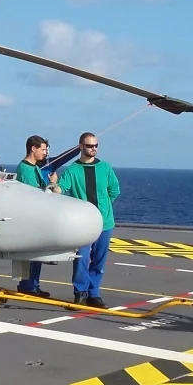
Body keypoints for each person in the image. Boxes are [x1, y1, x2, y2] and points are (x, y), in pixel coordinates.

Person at [57, 131, 120, 309]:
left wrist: (104, 208)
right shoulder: (73, 170)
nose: (94, 149)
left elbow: (114, 190)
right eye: (90, 146)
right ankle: (80, 293)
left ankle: (94, 293)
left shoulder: (105, 168)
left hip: (105, 223)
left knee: (99, 260)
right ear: (81, 147)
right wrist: (54, 188)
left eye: (96, 146)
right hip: (83, 225)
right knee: (81, 259)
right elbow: (63, 187)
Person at [14, 134, 60, 296]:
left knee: (36, 256)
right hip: (30, 218)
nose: (45, 153)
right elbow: (34, 194)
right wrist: (52, 183)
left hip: (34, 217)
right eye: (43, 150)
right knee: (32, 256)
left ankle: (32, 284)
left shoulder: (32, 168)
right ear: (33, 149)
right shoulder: (26, 169)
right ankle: (28, 285)